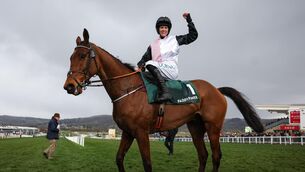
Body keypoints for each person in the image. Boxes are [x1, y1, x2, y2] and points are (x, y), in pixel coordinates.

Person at [137, 12, 198, 102]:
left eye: (166, 28)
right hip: (159, 70)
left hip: (171, 69)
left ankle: (166, 93)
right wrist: (138, 67)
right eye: (161, 27)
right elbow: (143, 60)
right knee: (144, 73)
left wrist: (189, 20)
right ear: (158, 29)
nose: (164, 30)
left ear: (168, 29)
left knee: (149, 63)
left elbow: (193, 36)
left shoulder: (175, 39)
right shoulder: (152, 45)